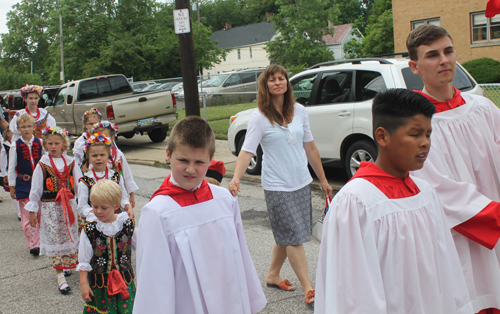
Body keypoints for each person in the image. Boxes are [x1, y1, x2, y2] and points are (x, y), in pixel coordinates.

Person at [315, 88, 474, 313]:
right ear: (382, 136)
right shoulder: (356, 202)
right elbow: (352, 292)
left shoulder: (425, 194)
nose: (425, 143)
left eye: (428, 134)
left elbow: (447, 270)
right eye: (415, 134)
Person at [407, 25, 500, 314]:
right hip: (459, 234)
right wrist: (493, 215)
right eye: (432, 55)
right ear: (415, 67)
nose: (444, 60)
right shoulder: (415, 124)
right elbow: (433, 187)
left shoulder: (483, 108)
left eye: (448, 51)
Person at [134, 116, 266, 313]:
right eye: (183, 160)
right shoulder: (158, 212)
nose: (190, 169)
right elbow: (154, 280)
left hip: (228, 300)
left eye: (199, 162)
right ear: (168, 155)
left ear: (211, 160)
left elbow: (241, 256)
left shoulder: (225, 201)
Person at [228, 64, 333, 305]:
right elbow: (247, 151)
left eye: (281, 78)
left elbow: (310, 148)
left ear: (287, 82)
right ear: (265, 86)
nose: (278, 82)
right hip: (277, 186)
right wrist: (236, 178)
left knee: (287, 233)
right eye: (272, 80)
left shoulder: (299, 111)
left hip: (301, 183)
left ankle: (273, 275)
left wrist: (324, 181)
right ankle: (309, 288)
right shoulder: (259, 117)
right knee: (294, 237)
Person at [25, 126, 82, 294]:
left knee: (69, 235)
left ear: (64, 144)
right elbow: (35, 190)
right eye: (50, 143)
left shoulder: (71, 162)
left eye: (57, 143)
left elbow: (80, 186)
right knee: (55, 238)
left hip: (69, 207)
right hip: (51, 209)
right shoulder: (42, 164)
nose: (53, 146)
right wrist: (32, 211)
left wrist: (84, 205)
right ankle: (60, 277)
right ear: (45, 144)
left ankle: (66, 264)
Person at [78, 179, 136, 313]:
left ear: (116, 205)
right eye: (95, 206)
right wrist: (84, 284)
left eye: (103, 208)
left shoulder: (127, 225)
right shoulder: (90, 229)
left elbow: (144, 248)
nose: (98, 211)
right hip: (100, 284)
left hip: (125, 282)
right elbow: (84, 260)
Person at [7, 114, 43, 255]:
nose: (26, 129)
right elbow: (11, 167)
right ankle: (34, 244)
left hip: (40, 183)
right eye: (23, 127)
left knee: (40, 213)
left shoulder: (40, 142)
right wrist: (12, 185)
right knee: (28, 215)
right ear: (18, 128)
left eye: (29, 126)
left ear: (34, 127)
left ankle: (42, 241)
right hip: (24, 183)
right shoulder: (15, 146)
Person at [77, 132, 133, 221]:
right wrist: (97, 213)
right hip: (95, 222)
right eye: (94, 155)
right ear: (89, 157)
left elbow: (122, 197)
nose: (98, 158)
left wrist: (127, 206)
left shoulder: (116, 177)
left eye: (102, 155)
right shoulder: (85, 181)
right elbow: (82, 207)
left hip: (115, 221)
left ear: (108, 156)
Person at [91, 121, 138, 208]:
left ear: (112, 138)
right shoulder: (93, 157)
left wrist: (131, 195)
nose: (102, 140)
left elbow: (127, 174)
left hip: (117, 193)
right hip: (100, 197)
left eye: (105, 137)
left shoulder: (118, 155)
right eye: (99, 137)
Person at [1, 129, 19, 217]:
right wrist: (4, 172)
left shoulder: (19, 144)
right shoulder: (5, 145)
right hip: (10, 170)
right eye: (11, 133)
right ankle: (19, 213)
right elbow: (3, 159)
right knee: (14, 190)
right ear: (7, 133)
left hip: (21, 170)